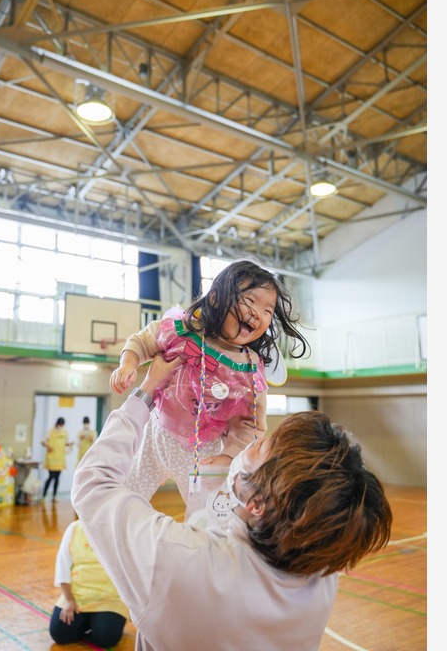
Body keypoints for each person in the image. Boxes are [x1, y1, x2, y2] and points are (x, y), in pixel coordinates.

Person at [73, 353, 393, 650]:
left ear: (257, 502)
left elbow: (93, 484)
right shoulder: (321, 570)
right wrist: (225, 461)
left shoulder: (176, 558)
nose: (256, 439)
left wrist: (146, 391)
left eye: (263, 444)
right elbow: (234, 532)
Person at [108, 259, 309, 502]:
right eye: (250, 301)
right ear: (215, 298)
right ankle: (100, 534)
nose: (258, 313)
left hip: (203, 451)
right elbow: (143, 339)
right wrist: (128, 364)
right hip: (156, 433)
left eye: (267, 311)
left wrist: (229, 455)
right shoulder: (182, 329)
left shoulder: (248, 370)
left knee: (203, 514)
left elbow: (251, 424)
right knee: (125, 496)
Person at [48, 517, 130, 647]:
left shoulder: (118, 531)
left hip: (109, 600)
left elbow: (131, 569)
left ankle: (100, 622)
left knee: (106, 639)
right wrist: (69, 600)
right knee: (59, 634)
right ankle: (92, 621)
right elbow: (62, 567)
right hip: (76, 598)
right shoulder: (74, 529)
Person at [41, 417, 74, 501]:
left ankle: (54, 496)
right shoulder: (50, 431)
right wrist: (48, 447)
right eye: (60, 424)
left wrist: (70, 444)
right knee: (51, 476)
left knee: (57, 478)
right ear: (57, 423)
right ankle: (44, 495)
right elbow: (43, 441)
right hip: (52, 458)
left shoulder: (65, 432)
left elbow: (64, 443)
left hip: (60, 458)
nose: (61, 426)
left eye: (62, 425)